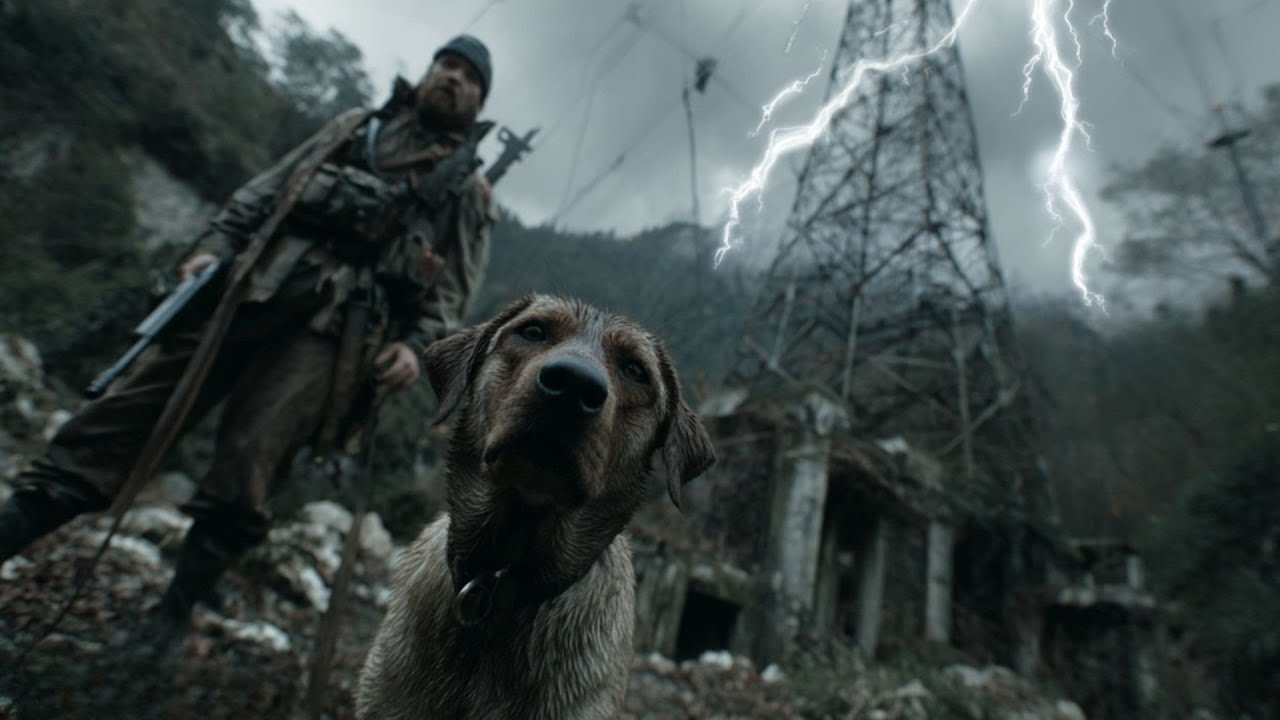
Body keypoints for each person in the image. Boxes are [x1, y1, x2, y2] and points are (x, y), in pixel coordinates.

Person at [0, 35, 498, 631]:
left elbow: (452, 290)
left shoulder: (468, 191)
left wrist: (416, 348)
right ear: (426, 71)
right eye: (446, 64)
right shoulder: (354, 127)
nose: (452, 78)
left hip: (332, 332)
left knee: (251, 463)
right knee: (127, 412)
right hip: (250, 286)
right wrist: (213, 247)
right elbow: (271, 187)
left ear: (478, 100)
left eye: (469, 76)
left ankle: (166, 625)